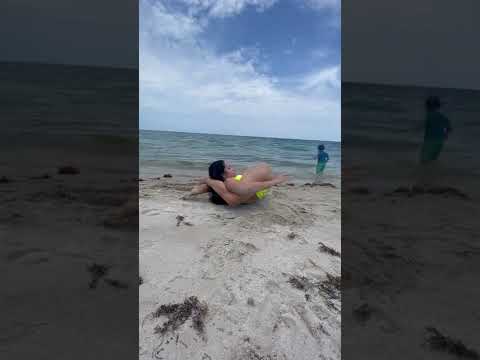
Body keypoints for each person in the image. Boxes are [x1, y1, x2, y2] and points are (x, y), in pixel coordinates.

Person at [186, 161, 288, 206]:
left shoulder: (221, 185)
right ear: (223, 175)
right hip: (254, 192)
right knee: (263, 166)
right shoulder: (229, 182)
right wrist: (275, 181)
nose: (233, 168)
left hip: (254, 193)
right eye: (229, 168)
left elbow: (201, 188)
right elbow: (245, 190)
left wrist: (206, 182)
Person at [420, 96, 452, 164]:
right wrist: (445, 135)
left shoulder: (429, 115)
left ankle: (424, 173)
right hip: (440, 142)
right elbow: (449, 128)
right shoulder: (443, 117)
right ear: (438, 106)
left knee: (423, 160)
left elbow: (424, 126)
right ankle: (432, 172)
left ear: (428, 107)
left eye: (426, 106)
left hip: (429, 141)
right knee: (433, 159)